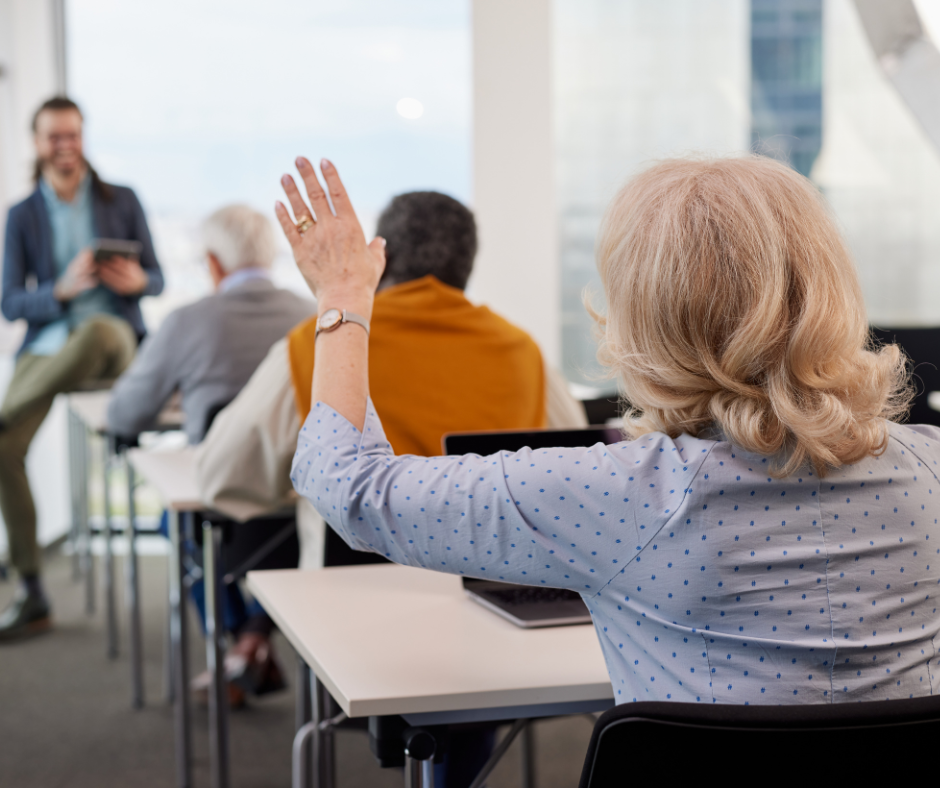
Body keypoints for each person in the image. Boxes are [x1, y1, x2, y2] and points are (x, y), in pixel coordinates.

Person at [283, 154, 939, 707]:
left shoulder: (615, 494)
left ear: (644, 320)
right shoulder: (931, 471)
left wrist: (343, 294)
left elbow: (353, 487)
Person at [196, 188, 584, 781]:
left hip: (349, 633)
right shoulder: (520, 351)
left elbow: (222, 477)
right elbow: (571, 472)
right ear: (468, 265)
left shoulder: (318, 345)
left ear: (383, 255)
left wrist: (295, 489)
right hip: (498, 627)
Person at [108, 204, 313, 704]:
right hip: (312, 516)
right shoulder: (313, 316)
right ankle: (255, 639)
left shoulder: (187, 322)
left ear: (214, 264)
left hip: (222, 510)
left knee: (173, 525)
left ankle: (238, 639)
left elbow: (125, 415)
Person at [0, 96, 164, 640]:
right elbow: (10, 303)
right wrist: (59, 292)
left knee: (95, 331)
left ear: (82, 138)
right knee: (4, 448)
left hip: (111, 339)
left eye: (73, 135)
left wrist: (139, 284)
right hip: (49, 349)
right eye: (55, 137)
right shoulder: (22, 216)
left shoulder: (122, 200)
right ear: (38, 143)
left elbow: (157, 279)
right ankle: (33, 591)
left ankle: (7, 410)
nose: (65, 146)